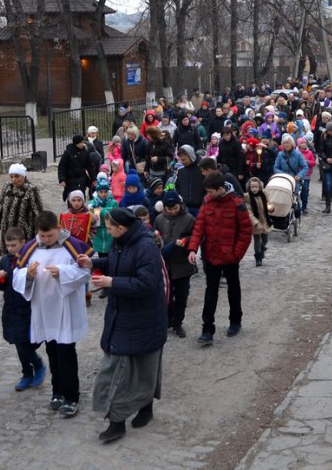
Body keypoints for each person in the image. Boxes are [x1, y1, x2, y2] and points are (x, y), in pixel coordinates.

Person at [77, 207, 167, 443]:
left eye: (109, 228)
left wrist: (112, 282)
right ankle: (128, 416)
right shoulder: (123, 241)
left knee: (135, 370)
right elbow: (117, 261)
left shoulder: (146, 247)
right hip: (123, 315)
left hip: (144, 318)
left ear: (122, 227)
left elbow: (146, 283)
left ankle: (121, 422)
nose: (106, 232)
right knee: (120, 370)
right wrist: (93, 262)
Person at [12, 210, 92, 417]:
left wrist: (63, 273)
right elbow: (17, 275)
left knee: (66, 353)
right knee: (52, 351)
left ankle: (72, 396)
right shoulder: (31, 248)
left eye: (50, 235)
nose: (46, 240)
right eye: (42, 236)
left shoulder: (72, 246)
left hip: (66, 308)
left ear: (58, 228)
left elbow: (86, 272)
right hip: (44, 309)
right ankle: (57, 392)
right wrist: (27, 275)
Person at [187, 172, 253, 345]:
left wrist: (236, 254)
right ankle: (207, 329)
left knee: (233, 289)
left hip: (230, 257)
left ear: (220, 188)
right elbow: (199, 227)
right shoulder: (207, 203)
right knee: (211, 292)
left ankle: (235, 321)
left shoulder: (237, 205)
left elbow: (246, 232)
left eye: (210, 191)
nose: (208, 194)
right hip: (211, 255)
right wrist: (193, 248)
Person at [0, 227, 47, 391]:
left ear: (23, 242)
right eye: (8, 245)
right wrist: (0, 278)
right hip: (11, 306)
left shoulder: (32, 260)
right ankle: (27, 373)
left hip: (28, 307)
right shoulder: (5, 261)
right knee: (17, 342)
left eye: (14, 245)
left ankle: (38, 364)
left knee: (23, 342)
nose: (10, 249)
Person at [155, 191, 196, 338]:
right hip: (166, 265)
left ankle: (178, 322)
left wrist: (186, 241)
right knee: (166, 294)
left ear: (180, 205)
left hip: (183, 264)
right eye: (169, 208)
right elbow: (156, 235)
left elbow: (196, 236)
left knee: (181, 295)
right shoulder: (160, 219)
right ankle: (167, 320)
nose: (172, 211)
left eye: (175, 208)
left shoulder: (189, 219)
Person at [0, 163, 44, 255]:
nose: (14, 179)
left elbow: (38, 212)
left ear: (23, 176)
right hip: (7, 230)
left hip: (23, 232)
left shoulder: (32, 189)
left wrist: (40, 232)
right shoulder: (7, 186)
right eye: (11, 176)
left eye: (17, 176)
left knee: (22, 256)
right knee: (8, 257)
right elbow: (0, 208)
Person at [243, 177, 272, 267]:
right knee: (256, 239)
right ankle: (258, 257)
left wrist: (271, 208)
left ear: (259, 187)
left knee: (265, 239)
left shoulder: (264, 195)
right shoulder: (248, 198)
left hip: (265, 220)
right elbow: (249, 212)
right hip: (255, 222)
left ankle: (262, 248)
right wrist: (255, 222)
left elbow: (269, 204)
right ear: (249, 187)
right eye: (252, 187)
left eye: (256, 186)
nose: (254, 189)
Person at [87, 178, 119, 257]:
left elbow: (112, 218)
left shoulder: (114, 203)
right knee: (100, 258)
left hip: (110, 236)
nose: (103, 194)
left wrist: (100, 210)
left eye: (105, 191)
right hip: (98, 236)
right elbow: (95, 222)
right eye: (101, 192)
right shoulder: (92, 203)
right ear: (97, 192)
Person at [58, 135, 95, 201]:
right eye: (81, 142)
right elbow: (62, 166)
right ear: (76, 143)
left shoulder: (85, 152)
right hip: (70, 180)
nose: (82, 144)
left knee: (81, 197)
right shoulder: (68, 153)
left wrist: (93, 179)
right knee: (72, 198)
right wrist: (62, 179)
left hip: (81, 179)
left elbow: (90, 167)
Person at [174, 145, 205, 217]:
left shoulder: (202, 170)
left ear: (191, 156)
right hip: (185, 208)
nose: (182, 162)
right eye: (181, 160)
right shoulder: (181, 171)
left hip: (200, 207)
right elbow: (176, 187)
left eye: (184, 159)